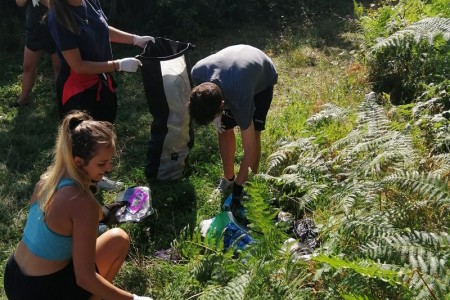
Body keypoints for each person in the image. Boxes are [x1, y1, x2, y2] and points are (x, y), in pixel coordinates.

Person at [3, 110, 152, 300]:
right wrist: (134, 299)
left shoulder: (47, 182)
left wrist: (105, 212)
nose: (109, 168)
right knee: (118, 239)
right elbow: (85, 279)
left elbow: (66, 221)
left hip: (14, 277)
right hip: (40, 292)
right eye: (102, 164)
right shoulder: (82, 203)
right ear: (79, 162)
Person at [188, 44, 278, 203]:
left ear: (222, 104)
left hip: (261, 77)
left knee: (253, 134)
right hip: (234, 69)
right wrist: (217, 117)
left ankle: (249, 185)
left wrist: (238, 190)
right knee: (223, 129)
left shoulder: (240, 97)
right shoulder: (197, 73)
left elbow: (250, 150)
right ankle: (228, 178)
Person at [48, 0, 154, 124]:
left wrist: (135, 39)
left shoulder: (89, 2)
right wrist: (117, 65)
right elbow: (78, 66)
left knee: (105, 131)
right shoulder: (58, 18)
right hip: (78, 92)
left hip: (102, 80)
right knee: (85, 138)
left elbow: (101, 27)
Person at [12, 0, 60, 107]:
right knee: (28, 67)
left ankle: (62, 100)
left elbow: (59, 6)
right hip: (34, 29)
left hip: (56, 28)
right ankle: (23, 99)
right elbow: (19, 3)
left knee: (59, 68)